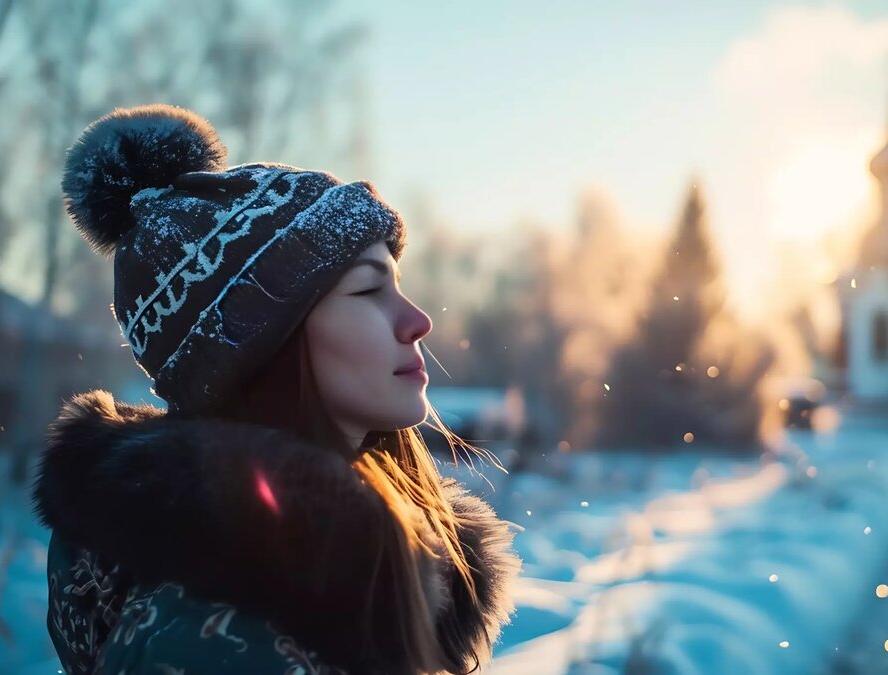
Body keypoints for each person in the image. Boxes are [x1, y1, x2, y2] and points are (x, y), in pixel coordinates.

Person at [31, 104, 521, 674]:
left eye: (399, 286)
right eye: (367, 291)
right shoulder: (216, 641)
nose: (417, 321)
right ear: (262, 346)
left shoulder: (334, 586)